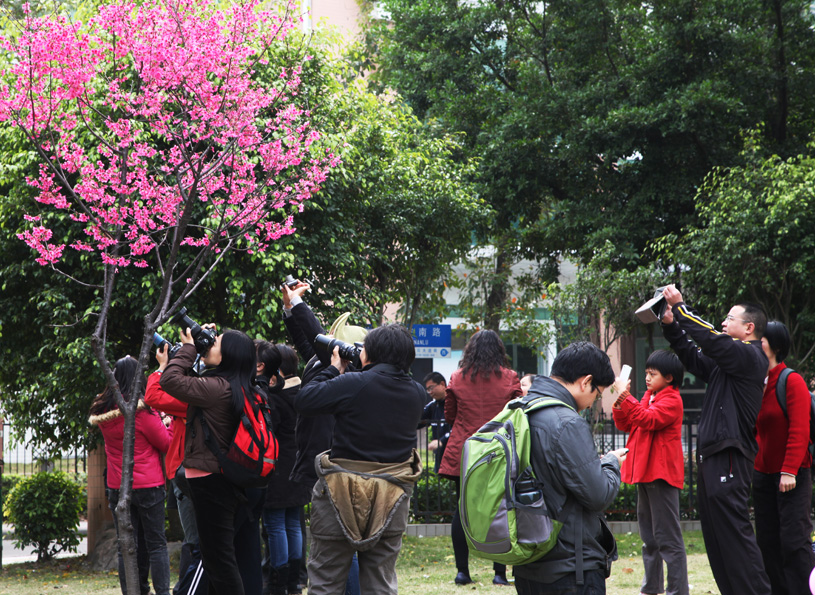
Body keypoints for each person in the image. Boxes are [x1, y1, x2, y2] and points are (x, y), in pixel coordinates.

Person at [294, 324, 426, 595]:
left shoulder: (353, 384)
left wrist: (334, 368)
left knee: (326, 581)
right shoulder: (417, 392)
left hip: (339, 495)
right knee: (380, 584)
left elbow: (305, 400)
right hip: (392, 497)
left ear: (371, 353)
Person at [660, 284, 771, 595]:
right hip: (714, 455)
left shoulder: (750, 355)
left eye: (730, 318)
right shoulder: (728, 363)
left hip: (729, 454)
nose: (723, 322)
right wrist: (671, 326)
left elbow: (712, 340)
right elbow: (694, 358)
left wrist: (680, 308)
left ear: (749, 328)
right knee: (717, 538)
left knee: (734, 535)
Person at [513, 341, 626, 594]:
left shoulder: (521, 410)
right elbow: (599, 494)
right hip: (570, 568)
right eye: (597, 394)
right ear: (586, 382)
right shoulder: (566, 422)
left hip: (528, 562)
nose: (593, 402)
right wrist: (610, 463)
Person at [159, 327, 264, 595]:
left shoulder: (217, 388)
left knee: (218, 560)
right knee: (219, 558)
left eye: (215, 342)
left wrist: (189, 348)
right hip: (222, 480)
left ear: (229, 355)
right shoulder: (234, 386)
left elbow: (169, 380)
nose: (209, 344)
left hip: (211, 483)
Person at [281, 282, 363, 595]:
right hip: (316, 456)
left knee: (342, 540)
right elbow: (305, 339)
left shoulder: (345, 371)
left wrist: (299, 304)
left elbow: (313, 332)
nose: (327, 341)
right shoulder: (324, 362)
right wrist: (289, 308)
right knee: (331, 538)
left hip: (331, 458)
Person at [438, 329, 522, 586]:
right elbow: (518, 416)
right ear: (499, 350)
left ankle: (462, 572)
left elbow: (450, 415)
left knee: (461, 510)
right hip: (499, 451)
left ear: (470, 351)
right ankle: (499, 573)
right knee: (501, 508)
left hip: (465, 452)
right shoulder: (510, 378)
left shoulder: (457, 378)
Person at [89, 355, 172, 595]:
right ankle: (162, 592)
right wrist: (169, 423)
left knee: (126, 546)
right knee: (156, 544)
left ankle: (135, 591)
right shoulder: (141, 412)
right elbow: (165, 443)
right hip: (149, 485)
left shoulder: (104, 411)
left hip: (118, 486)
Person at [612, 350, 689, 595]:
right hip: (645, 473)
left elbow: (647, 419)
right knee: (650, 538)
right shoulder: (649, 396)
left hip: (661, 475)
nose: (647, 378)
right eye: (646, 373)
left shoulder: (672, 399)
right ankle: (651, 588)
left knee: (668, 539)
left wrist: (625, 395)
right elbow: (626, 423)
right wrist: (620, 400)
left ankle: (677, 590)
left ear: (669, 377)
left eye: (652, 374)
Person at [753, 321, 815, 595]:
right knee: (767, 542)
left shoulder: (791, 380)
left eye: (761, 339)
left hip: (792, 476)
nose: (755, 344)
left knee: (794, 541)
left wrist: (789, 470)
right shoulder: (756, 383)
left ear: (775, 346)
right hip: (763, 476)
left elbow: (800, 430)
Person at [258, 340, 307, 595]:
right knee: (293, 525)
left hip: (276, 470)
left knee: (276, 525)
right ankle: (294, 582)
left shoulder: (274, 397)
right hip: (297, 467)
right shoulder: (304, 394)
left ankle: (277, 583)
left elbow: (267, 433)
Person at [418, 372, 450, 473]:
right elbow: (417, 421)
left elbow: (459, 428)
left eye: (431, 388)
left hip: (453, 454)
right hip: (439, 456)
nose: (430, 392)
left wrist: (442, 440)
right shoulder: (432, 406)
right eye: (428, 389)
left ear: (442, 384)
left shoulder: (454, 403)